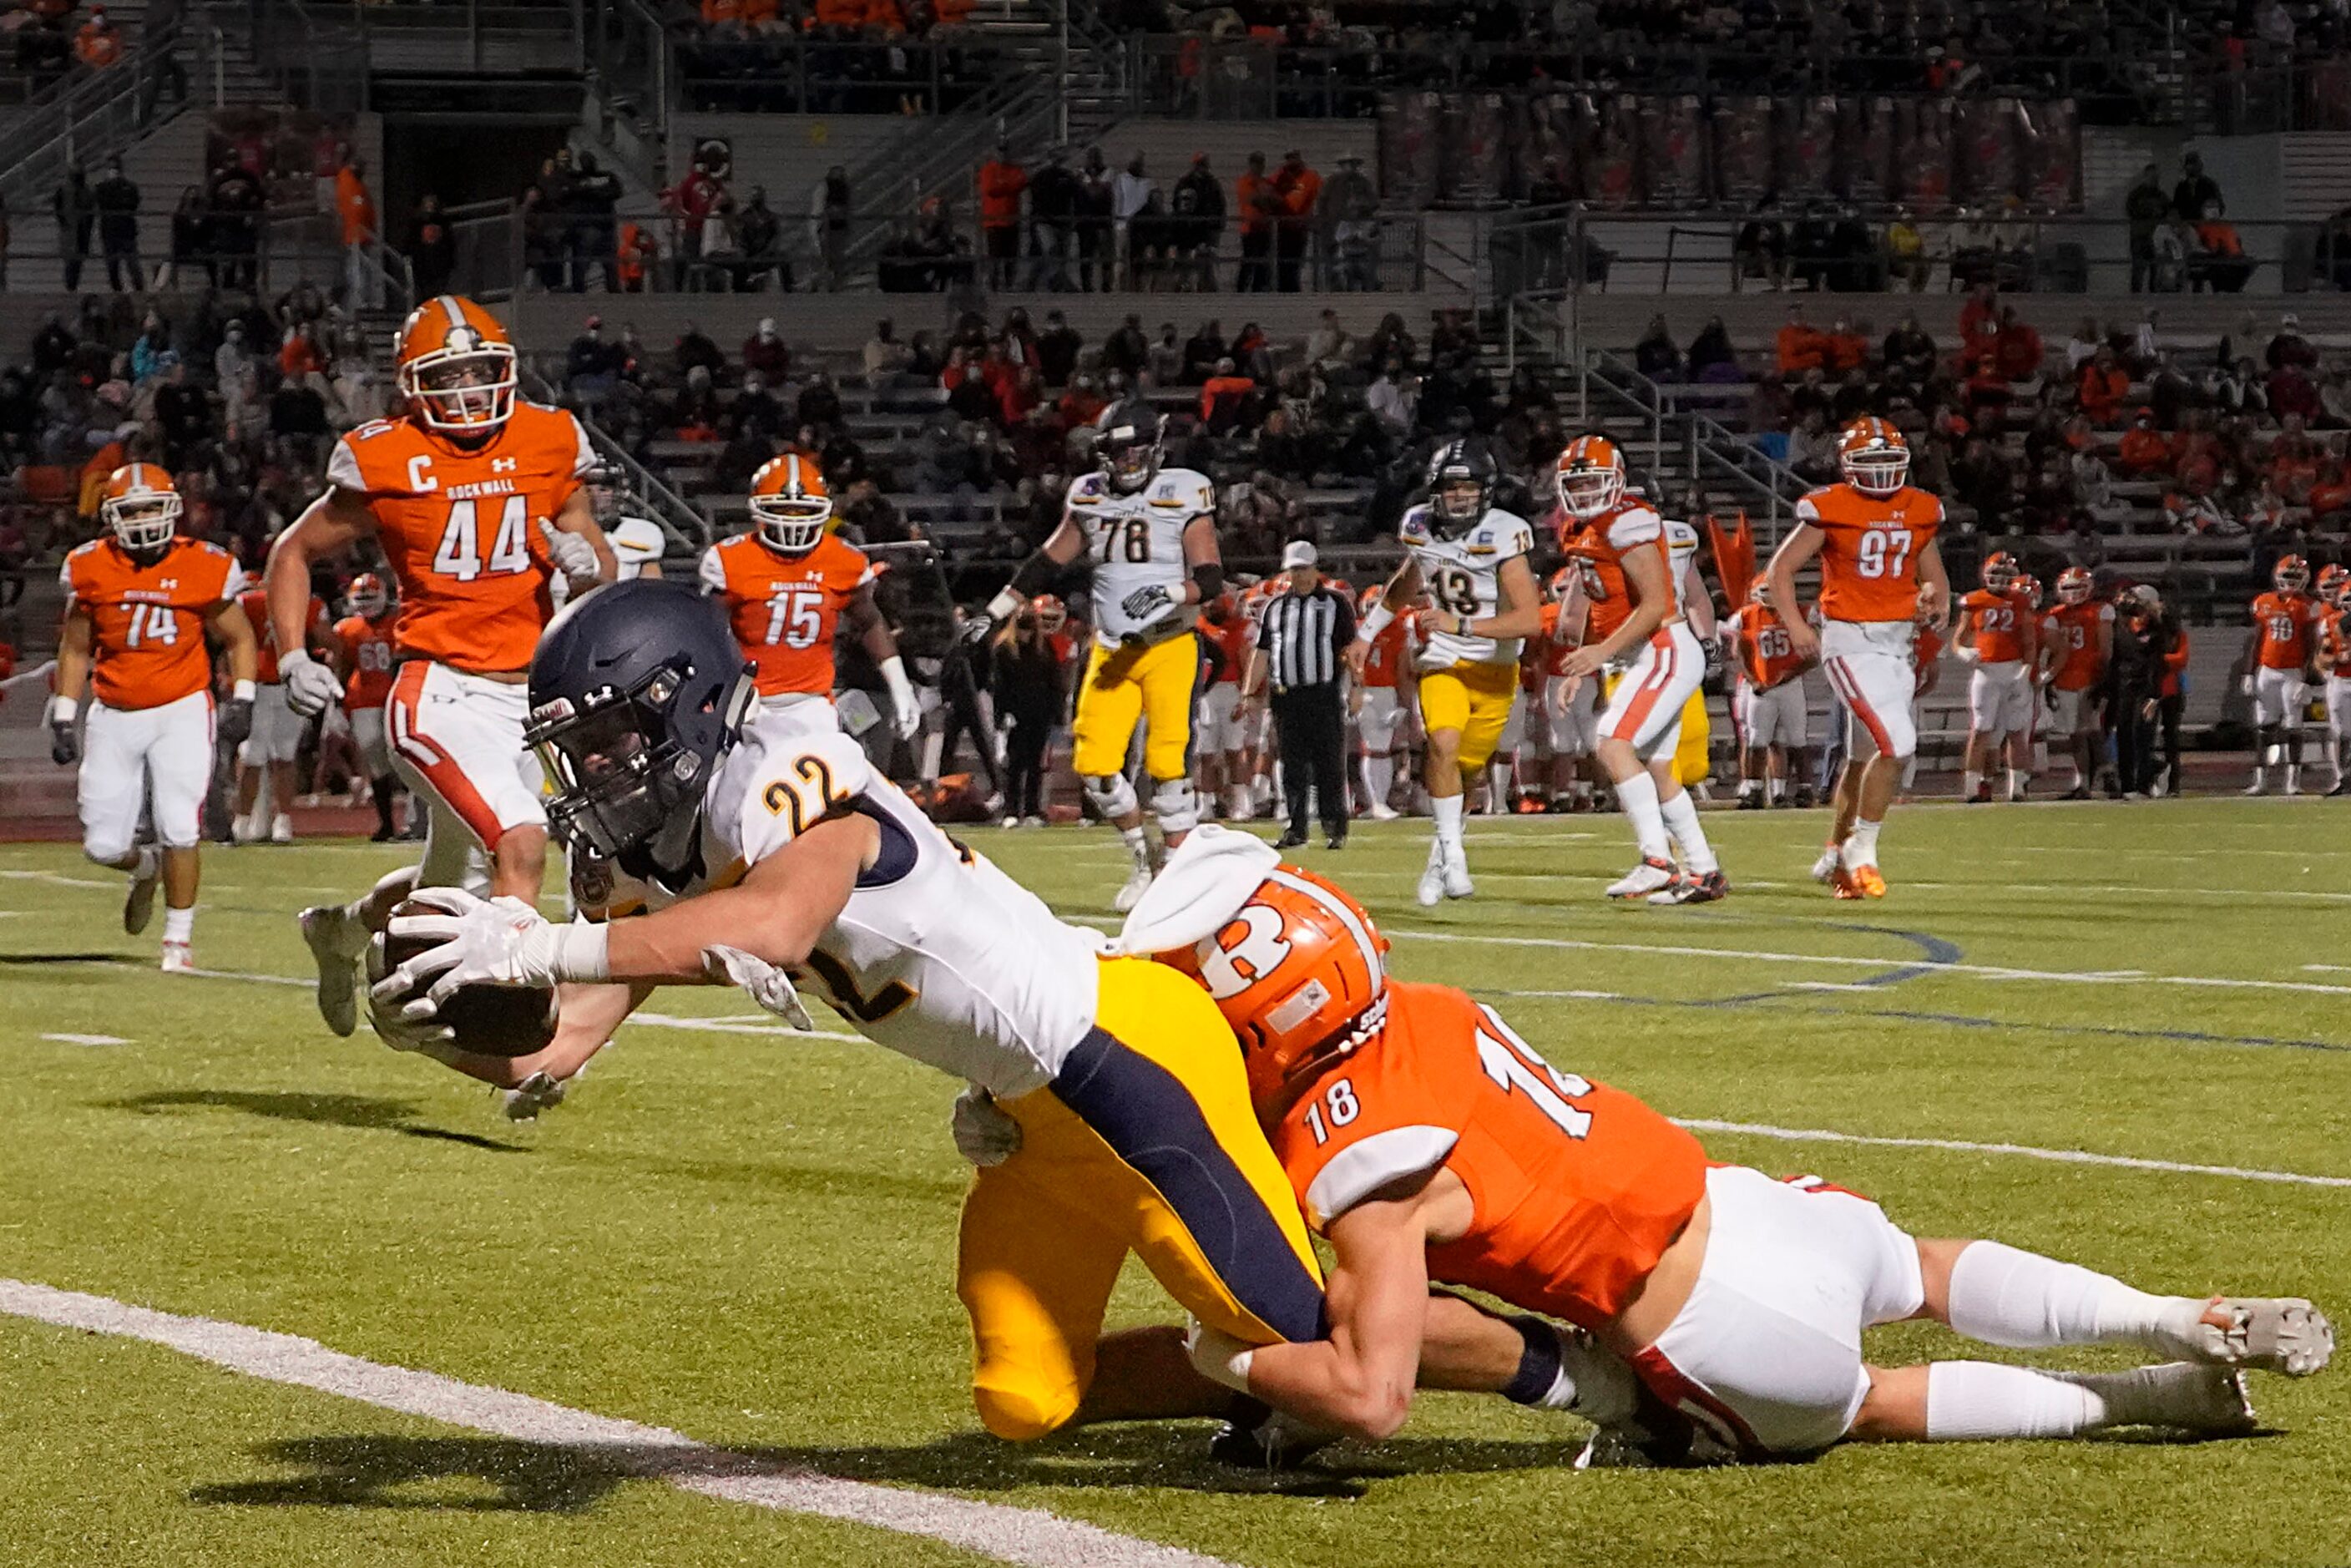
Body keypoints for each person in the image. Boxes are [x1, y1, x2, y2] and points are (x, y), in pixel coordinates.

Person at [367, 579, 1328, 1446]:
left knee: (1328, 1346)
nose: (594, 770)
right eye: (574, 749)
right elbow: (558, 1043)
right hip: (1022, 1114)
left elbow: (776, 924)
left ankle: (1416, 1344)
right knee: (1026, 1401)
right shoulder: (649, 851)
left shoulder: (788, 763)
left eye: (608, 738)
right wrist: (434, 1030)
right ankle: (1246, 1380)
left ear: (689, 703)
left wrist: (534, 943)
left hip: (1121, 1051)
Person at [1146, 850, 2335, 1464]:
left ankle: (2149, 1393)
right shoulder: (1429, 1006)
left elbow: (1373, 1395)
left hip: (1713, 1331)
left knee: (1870, 1403)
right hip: (1748, 1206)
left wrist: (1234, 1360)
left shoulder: (1361, 1156)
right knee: (1920, 1267)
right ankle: (2177, 1313)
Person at [265, 296, 617, 1042]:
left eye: (478, 372)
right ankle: (515, 1029)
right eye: (446, 376)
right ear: (413, 384)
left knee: (450, 892)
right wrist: (292, 652)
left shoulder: (547, 437)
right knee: (521, 841)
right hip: (439, 689)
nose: (464, 392)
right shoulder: (388, 453)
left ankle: (343, 931)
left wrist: (589, 565)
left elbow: (596, 556)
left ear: (506, 372)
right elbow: (291, 550)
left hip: (527, 696)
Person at [970, 401, 1221, 911]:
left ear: (1154, 449)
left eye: (1135, 452)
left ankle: (1179, 872)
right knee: (1095, 765)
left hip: (1170, 642)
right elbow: (1045, 561)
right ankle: (1143, 860)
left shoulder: (1185, 488)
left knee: (1168, 759)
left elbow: (1211, 576)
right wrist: (995, 611)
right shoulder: (1088, 495)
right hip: (1112, 650)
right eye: (1118, 453)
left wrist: (1171, 593)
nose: (1127, 463)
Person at [49, 466, 259, 972]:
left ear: (172, 510)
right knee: (102, 846)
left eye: (151, 508)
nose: (143, 520)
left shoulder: (203, 564)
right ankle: (143, 869)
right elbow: (76, 649)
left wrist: (244, 696)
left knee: (179, 826)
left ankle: (178, 941)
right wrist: (63, 714)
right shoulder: (90, 566)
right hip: (115, 712)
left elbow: (240, 637)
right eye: (131, 510)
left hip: (182, 708)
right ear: (110, 518)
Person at [1767, 417, 1949, 899]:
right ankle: (1862, 848)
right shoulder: (1832, 506)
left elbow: (1935, 578)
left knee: (1861, 756)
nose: (1881, 473)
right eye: (1871, 463)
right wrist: (1796, 626)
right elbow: (1780, 571)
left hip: (1897, 642)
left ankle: (1835, 849)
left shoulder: (1920, 509)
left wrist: (1937, 603)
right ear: (1848, 466)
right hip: (1850, 638)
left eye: (1889, 462)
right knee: (1898, 742)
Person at [1352, 440, 1540, 907]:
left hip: (1495, 668)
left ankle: (1441, 853)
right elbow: (1405, 585)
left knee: (1469, 774)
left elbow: (1530, 619)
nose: (1459, 497)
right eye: (1451, 488)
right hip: (1443, 660)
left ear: (1487, 492)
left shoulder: (1505, 534)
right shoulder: (1420, 527)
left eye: (1468, 488)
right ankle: (1455, 856)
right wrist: (1366, 634)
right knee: (1442, 745)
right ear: (1435, 491)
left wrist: (1464, 623)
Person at [1550, 436, 1724, 903]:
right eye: (1577, 482)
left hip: (1662, 646)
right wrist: (1584, 664)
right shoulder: (1582, 531)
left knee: (1612, 744)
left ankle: (1657, 861)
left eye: (1594, 481)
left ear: (1618, 480)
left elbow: (1655, 606)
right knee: (1660, 768)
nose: (1585, 491)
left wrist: (1596, 653)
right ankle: (1704, 871)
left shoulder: (1630, 521)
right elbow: (1601, 606)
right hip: (1641, 653)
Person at [699, 452, 920, 750]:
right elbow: (706, 634)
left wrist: (900, 684)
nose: (792, 520)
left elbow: (869, 621)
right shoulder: (732, 559)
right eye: (784, 509)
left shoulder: (842, 559)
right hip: (746, 703)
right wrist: (719, 691)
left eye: (802, 510)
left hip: (813, 706)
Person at [1247, 541, 1357, 851]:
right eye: (1294, 570)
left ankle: (1335, 826)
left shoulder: (1335, 604)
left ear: (1315, 569)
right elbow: (1263, 652)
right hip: (1286, 696)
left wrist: (1357, 687)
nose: (1300, 576)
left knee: (1328, 762)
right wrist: (1247, 692)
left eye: (1304, 569)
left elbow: (1350, 649)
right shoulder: (1275, 607)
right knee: (1291, 765)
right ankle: (1296, 827)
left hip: (1322, 692)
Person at [231, 576, 328, 843]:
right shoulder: (305, 602)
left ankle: (255, 820)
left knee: (266, 755)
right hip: (275, 684)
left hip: (270, 683)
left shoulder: (249, 601)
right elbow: (328, 640)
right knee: (269, 756)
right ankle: (270, 820)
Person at [1953, 552, 2038, 803]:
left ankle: (2017, 788)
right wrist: (1963, 652)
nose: (1999, 579)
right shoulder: (1974, 600)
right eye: (1995, 573)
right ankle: (1971, 788)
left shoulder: (2021, 600)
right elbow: (1957, 640)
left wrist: (2026, 669)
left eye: (2005, 575)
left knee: (2015, 730)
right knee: (1980, 729)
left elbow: (2029, 640)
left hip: (2013, 669)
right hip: (1986, 671)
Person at [329, 573, 405, 841]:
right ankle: (387, 824)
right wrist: (337, 702)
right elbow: (340, 665)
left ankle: (414, 821)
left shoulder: (400, 621)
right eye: (361, 598)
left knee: (407, 758)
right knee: (376, 761)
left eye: (371, 597)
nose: (366, 603)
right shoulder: (347, 629)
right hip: (362, 699)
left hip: (397, 696)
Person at [1725, 579, 1812, 808]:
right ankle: (1754, 788)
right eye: (1766, 591)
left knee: (1797, 740)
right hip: (1761, 686)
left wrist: (1790, 674)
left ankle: (1804, 789)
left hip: (1789, 685)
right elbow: (1740, 650)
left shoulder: (1798, 613)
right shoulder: (1746, 616)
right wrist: (1753, 679)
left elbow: (1813, 654)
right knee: (1756, 740)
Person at [2242, 554, 2324, 796]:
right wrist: (2249, 671)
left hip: (2292, 673)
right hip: (2267, 670)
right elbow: (2257, 640)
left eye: (2295, 577)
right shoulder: (2264, 602)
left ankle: (2292, 782)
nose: (2290, 581)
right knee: (2264, 726)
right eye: (2287, 576)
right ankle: (2260, 781)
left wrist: (2308, 678)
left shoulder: (2309, 606)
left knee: (2293, 727)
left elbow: (2312, 646)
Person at [993, 594, 1069, 827]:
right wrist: (1001, 716)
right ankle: (1011, 810)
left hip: (1040, 712)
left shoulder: (1042, 647)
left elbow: (1055, 682)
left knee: (1036, 764)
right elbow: (1000, 686)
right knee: (1015, 764)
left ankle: (1033, 809)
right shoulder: (1005, 649)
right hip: (1016, 714)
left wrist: (1057, 713)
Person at [2035, 566, 2112, 800]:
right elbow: (2048, 651)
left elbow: (2106, 650)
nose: (2072, 592)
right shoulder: (2055, 615)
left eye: (2077, 587)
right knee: (2076, 735)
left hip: (2091, 678)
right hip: (2065, 679)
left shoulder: (2100, 611)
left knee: (2094, 732)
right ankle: (2084, 782)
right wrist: (2048, 680)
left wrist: (2104, 680)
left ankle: (2109, 776)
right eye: (2068, 588)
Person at [1352, 583, 1409, 821]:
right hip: (1363, 690)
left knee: (1381, 748)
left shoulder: (1398, 630)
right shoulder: (1356, 630)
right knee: (1374, 746)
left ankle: (1377, 802)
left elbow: (1403, 670)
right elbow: (1347, 666)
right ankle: (1376, 802)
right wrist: (1349, 693)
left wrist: (1404, 704)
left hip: (1387, 692)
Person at [1195, 592, 1255, 819]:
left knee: (1234, 749)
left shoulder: (1237, 629)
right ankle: (1205, 804)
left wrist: (1245, 696)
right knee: (1204, 753)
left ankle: (1242, 802)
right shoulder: (1198, 626)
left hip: (1230, 690)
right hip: (1205, 694)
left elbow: (1246, 663)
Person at [91, 157, 140, 292]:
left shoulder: (130, 187)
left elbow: (132, 205)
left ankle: (139, 291)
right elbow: (103, 205)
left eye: (116, 169)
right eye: (111, 169)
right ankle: (118, 292)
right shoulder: (101, 188)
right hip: (109, 233)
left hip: (127, 231)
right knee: (112, 268)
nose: (113, 172)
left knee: (134, 266)